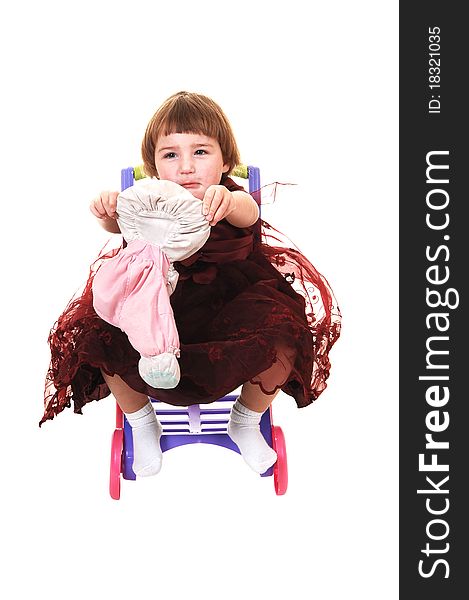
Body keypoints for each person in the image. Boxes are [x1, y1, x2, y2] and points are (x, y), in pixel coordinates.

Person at [41, 91, 341, 478]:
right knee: (98, 333)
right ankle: (142, 422)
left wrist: (229, 202)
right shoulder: (146, 200)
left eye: (200, 152)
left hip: (232, 301)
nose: (186, 167)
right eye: (171, 155)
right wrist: (108, 211)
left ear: (226, 161)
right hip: (158, 304)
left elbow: (248, 214)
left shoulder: (230, 196)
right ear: (153, 168)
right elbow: (120, 223)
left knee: (285, 333)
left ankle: (247, 419)